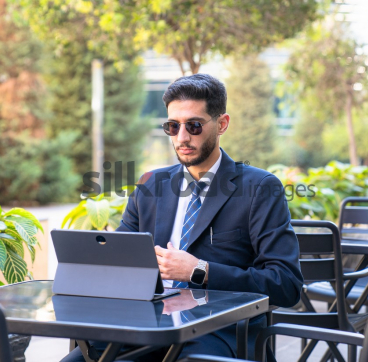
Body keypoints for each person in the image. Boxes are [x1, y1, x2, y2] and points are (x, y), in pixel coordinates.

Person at [63, 73, 303, 361]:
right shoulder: (150, 184)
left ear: (222, 124)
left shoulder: (259, 188)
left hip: (219, 334)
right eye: (172, 126)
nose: (182, 137)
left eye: (194, 125)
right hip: (146, 328)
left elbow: (286, 285)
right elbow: (120, 260)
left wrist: (199, 270)